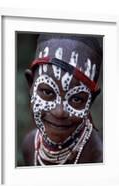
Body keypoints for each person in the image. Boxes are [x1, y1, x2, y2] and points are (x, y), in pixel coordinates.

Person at [22, 34, 103, 166]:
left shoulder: (101, 159)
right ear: (31, 85)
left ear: (90, 100)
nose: (59, 112)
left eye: (76, 99)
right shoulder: (29, 144)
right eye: (48, 92)